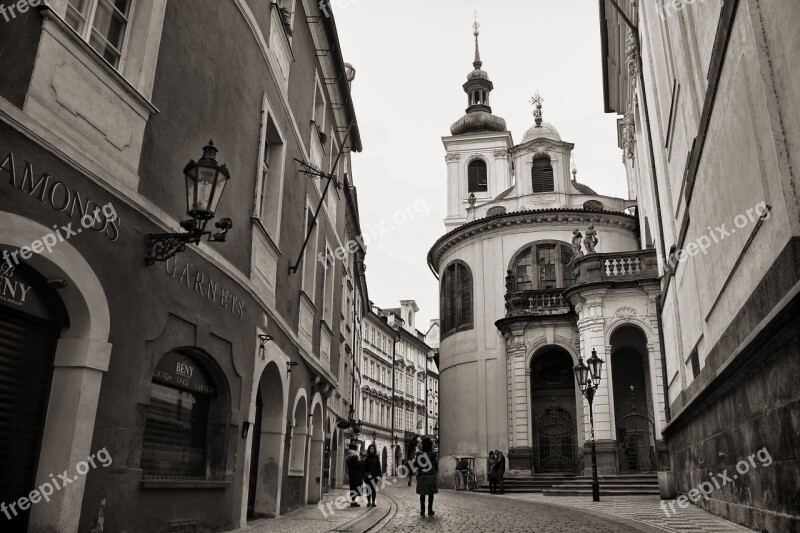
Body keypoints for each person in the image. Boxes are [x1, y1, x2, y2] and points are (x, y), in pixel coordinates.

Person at [416, 437, 438, 516]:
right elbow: (436, 464)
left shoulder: (419, 455)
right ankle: (430, 510)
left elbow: (416, 464)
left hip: (422, 476)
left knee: (422, 494)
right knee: (430, 494)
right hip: (431, 475)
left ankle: (422, 510)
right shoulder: (433, 454)